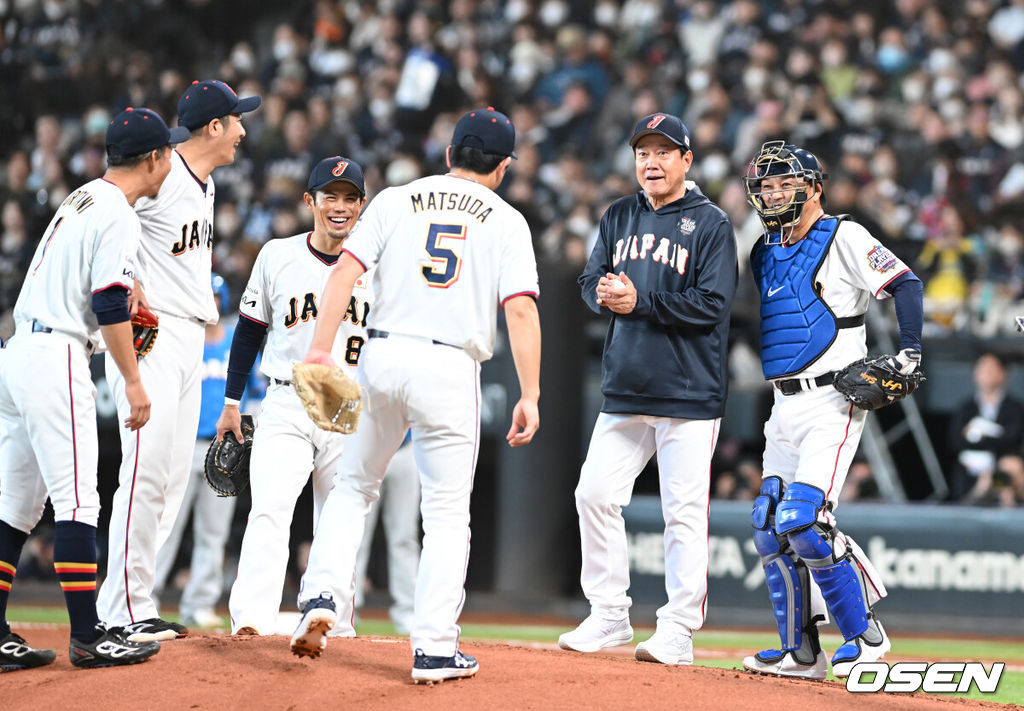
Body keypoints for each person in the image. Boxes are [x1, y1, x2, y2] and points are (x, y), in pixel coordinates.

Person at [288, 107, 541, 685]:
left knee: (352, 485)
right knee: (448, 513)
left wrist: (322, 350)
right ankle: (432, 649)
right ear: (502, 167)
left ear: (449, 154)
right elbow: (521, 308)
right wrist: (530, 391)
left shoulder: (397, 199)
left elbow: (342, 275)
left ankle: (322, 592)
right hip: (450, 364)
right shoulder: (506, 219)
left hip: (381, 354)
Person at [0, 107, 187, 670]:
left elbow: (101, 290)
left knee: (15, 506)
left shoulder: (82, 196)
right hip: (56, 354)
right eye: (168, 153)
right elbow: (106, 302)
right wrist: (133, 381)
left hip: (20, 351)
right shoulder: (119, 214)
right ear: (154, 159)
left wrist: (127, 293)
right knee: (78, 499)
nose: (170, 162)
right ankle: (88, 633)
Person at [739, 140, 924, 680]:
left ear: (813, 188)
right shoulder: (761, 250)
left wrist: (910, 352)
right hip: (782, 402)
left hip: (832, 399)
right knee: (768, 526)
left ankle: (865, 636)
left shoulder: (844, 235)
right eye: (765, 185)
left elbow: (905, 282)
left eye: (785, 184)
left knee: (804, 521)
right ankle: (801, 653)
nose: (773, 194)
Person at [558, 113, 738, 665]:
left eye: (664, 152)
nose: (651, 162)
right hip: (627, 387)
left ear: (687, 160)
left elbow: (714, 304)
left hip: (688, 391)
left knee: (682, 513)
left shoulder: (710, 223)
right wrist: (605, 294)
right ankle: (610, 614)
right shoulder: (618, 215)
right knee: (593, 494)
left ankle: (679, 628)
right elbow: (588, 282)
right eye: (643, 153)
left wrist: (642, 302)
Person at [97, 80, 261, 642]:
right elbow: (103, 207)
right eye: (236, 119)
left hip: (192, 339)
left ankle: (135, 603)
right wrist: (130, 277)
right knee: (142, 476)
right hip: (155, 334)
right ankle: (117, 612)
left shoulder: (204, 182)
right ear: (213, 127)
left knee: (165, 482)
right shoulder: (161, 175)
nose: (243, 129)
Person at [223, 156, 374, 636]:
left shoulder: (379, 264)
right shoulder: (277, 254)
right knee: (270, 508)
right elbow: (248, 332)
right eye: (331, 195)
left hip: (351, 404)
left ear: (362, 206)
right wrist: (231, 401)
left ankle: (335, 621)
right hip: (287, 399)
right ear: (310, 201)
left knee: (340, 518)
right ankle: (252, 620)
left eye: (351, 198)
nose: (341, 206)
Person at [152, 273, 265, 628]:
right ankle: (144, 597)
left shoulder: (236, 339)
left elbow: (258, 391)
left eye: (216, 298)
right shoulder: (185, 339)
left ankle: (199, 602)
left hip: (224, 451)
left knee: (213, 535)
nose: (212, 304)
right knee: (164, 526)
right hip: (182, 446)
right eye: (208, 298)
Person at [353, 430, 419, 635]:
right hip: (369, 448)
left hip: (406, 448)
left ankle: (407, 613)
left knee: (405, 536)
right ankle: (348, 608)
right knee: (357, 534)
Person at [947, 352, 1024, 503]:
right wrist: (993, 439)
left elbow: (1012, 439)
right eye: (982, 370)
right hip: (971, 468)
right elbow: (956, 441)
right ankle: (975, 500)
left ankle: (1002, 505)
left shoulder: (1015, 408)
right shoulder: (966, 408)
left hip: (1003, 466)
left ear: (1002, 374)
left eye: (991, 369)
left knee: (1006, 469)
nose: (986, 374)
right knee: (989, 476)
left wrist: (978, 436)